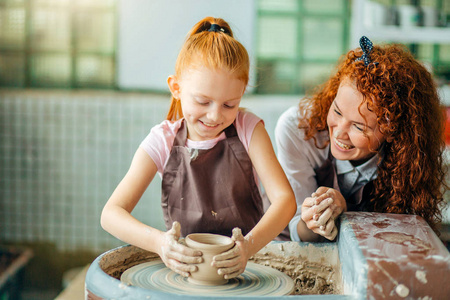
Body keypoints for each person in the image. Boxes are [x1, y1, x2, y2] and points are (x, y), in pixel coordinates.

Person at [101, 17, 296, 279]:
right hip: (188, 271)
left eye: (229, 105)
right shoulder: (163, 140)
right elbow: (111, 214)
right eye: (203, 101)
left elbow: (285, 201)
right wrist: (160, 243)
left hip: (249, 266)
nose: (215, 116)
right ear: (176, 88)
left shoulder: (249, 129)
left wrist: (247, 248)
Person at [275, 36, 447, 242]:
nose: (339, 133)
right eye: (337, 111)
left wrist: (345, 211)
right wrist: (314, 220)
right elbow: (296, 228)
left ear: (392, 130)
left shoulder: (409, 159)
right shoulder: (297, 129)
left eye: (358, 126)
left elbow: (393, 242)